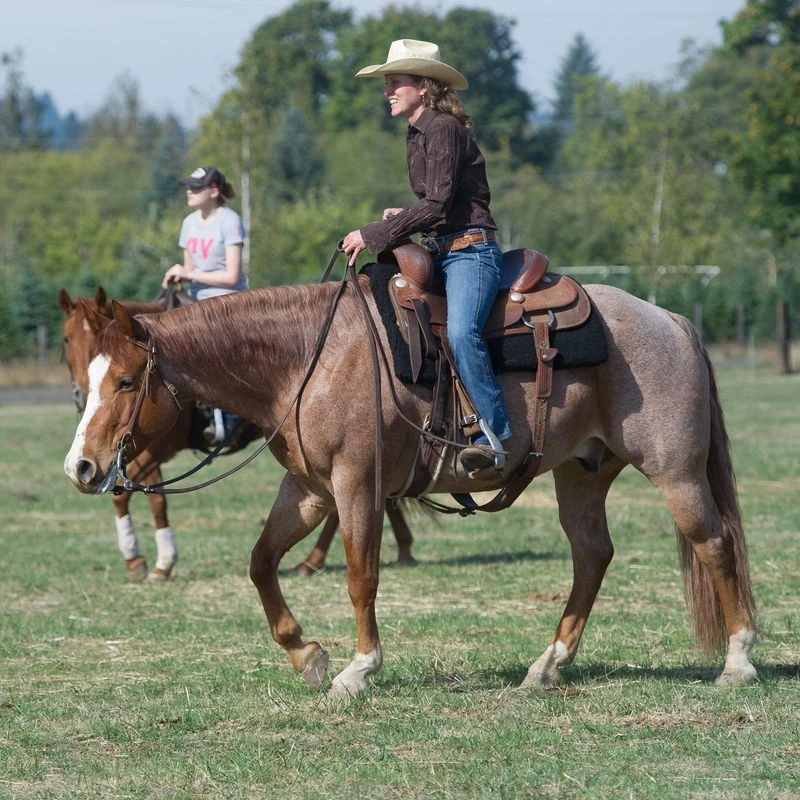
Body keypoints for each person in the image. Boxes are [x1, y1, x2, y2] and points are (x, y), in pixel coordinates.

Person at [341, 39, 511, 478]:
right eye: (387, 83)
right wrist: (403, 215)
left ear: (424, 87)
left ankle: (493, 436)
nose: (388, 91)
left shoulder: (443, 129)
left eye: (395, 82)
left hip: (470, 252)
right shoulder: (417, 133)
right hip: (442, 248)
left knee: (460, 332)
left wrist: (373, 233)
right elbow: (439, 204)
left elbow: (436, 206)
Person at [163, 166, 247, 445]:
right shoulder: (188, 223)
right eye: (189, 187)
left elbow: (232, 277)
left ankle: (231, 420)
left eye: (196, 187)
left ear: (213, 191)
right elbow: (190, 270)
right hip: (196, 304)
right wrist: (178, 276)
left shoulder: (229, 221)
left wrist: (189, 274)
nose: (190, 192)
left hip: (229, 305)